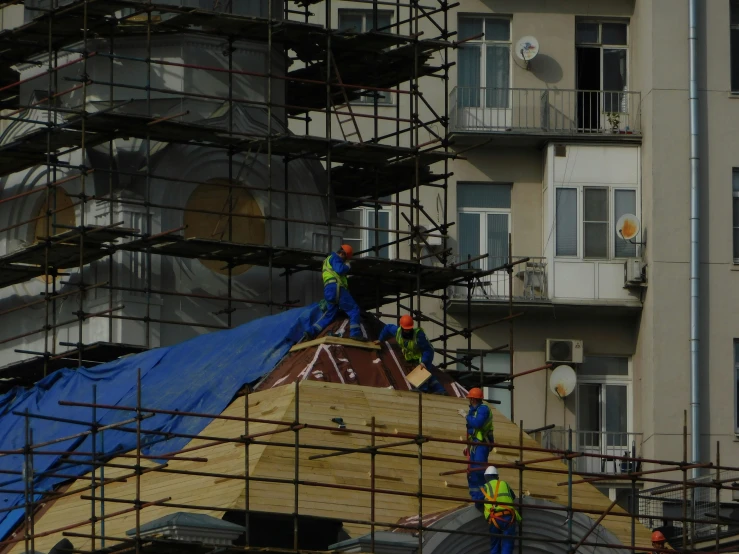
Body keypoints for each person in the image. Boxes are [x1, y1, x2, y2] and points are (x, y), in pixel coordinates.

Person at [375, 315, 445, 394]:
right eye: (405, 330)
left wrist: (424, 361)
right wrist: (380, 340)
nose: (407, 331)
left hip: (424, 354)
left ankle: (422, 389)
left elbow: (427, 350)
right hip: (413, 355)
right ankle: (440, 390)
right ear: (401, 327)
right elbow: (387, 328)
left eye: (409, 329)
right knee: (427, 374)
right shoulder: (397, 331)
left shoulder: (419, 335)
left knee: (422, 369)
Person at [310, 245, 363, 339]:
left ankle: (312, 331)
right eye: (345, 259)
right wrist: (347, 266)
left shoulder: (327, 260)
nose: (344, 261)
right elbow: (340, 269)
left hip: (329, 290)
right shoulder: (336, 257)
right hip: (336, 288)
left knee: (329, 315)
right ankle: (355, 333)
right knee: (354, 309)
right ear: (342, 254)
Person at [458, 387, 494, 504]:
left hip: (482, 444)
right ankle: (475, 498)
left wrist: (465, 416)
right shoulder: (474, 410)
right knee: (472, 472)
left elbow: (477, 424)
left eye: (470, 398)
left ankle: (483, 497)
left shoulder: (483, 409)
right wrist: (467, 445)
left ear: (473, 399)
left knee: (478, 470)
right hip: (475, 444)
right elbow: (471, 430)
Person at [480, 466, 520, 554]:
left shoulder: (485, 487)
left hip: (494, 518)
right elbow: (512, 497)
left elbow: (478, 500)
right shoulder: (504, 484)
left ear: (486, 477)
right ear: (497, 476)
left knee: (495, 545)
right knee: (508, 545)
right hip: (509, 517)